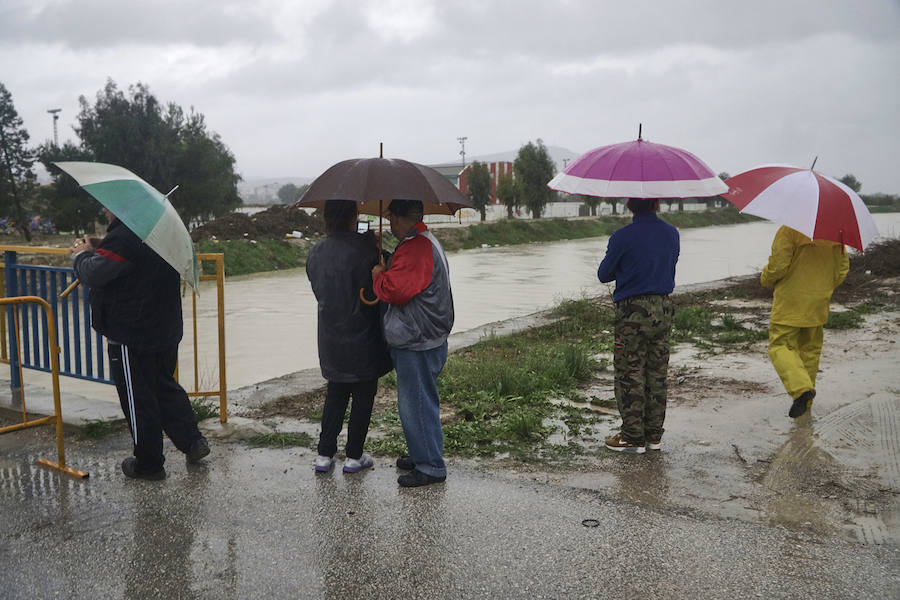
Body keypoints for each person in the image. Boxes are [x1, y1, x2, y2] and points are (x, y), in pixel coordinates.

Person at [71, 209, 209, 480]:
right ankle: (193, 442)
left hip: (131, 332)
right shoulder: (159, 234)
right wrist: (101, 246)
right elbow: (131, 260)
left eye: (106, 207)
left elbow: (96, 274)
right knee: (164, 387)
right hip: (165, 327)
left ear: (118, 207)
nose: (103, 210)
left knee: (138, 398)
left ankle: (149, 464)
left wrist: (80, 256)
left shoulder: (123, 237)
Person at [371, 199, 454, 487]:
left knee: (416, 403)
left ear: (400, 218)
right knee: (422, 400)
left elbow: (396, 290)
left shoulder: (417, 248)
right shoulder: (422, 241)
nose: (390, 223)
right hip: (428, 335)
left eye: (391, 217)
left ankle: (430, 465)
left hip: (417, 338)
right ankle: (424, 452)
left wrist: (379, 277)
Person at [306, 200, 392, 473]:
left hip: (330, 335)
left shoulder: (315, 252)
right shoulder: (367, 250)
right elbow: (384, 276)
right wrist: (376, 246)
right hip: (363, 336)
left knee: (336, 393)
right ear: (354, 216)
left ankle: (324, 455)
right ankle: (354, 456)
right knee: (364, 394)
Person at [597, 198, 679, 454]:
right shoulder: (672, 233)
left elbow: (603, 274)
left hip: (633, 312)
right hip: (663, 309)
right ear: (657, 204)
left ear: (629, 205)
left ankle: (632, 436)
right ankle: (653, 436)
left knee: (630, 372)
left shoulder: (622, 237)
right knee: (656, 372)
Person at [760, 226, 849, 418]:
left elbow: (778, 266)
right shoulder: (836, 232)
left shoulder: (789, 230)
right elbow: (842, 270)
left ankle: (801, 390)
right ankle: (806, 402)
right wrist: (821, 287)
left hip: (790, 302)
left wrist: (765, 278)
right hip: (818, 303)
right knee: (810, 351)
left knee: (780, 346)